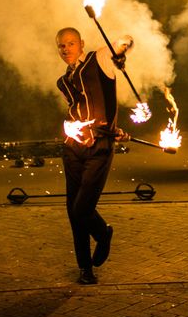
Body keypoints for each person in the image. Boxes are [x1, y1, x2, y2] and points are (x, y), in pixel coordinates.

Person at [55, 26, 132, 285]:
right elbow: (80, 110)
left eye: (70, 43)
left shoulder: (98, 59)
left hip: (99, 149)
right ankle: (85, 269)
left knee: (82, 208)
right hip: (72, 148)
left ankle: (103, 233)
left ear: (81, 43)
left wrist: (123, 49)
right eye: (61, 45)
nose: (66, 49)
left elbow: (124, 41)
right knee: (72, 210)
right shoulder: (63, 81)